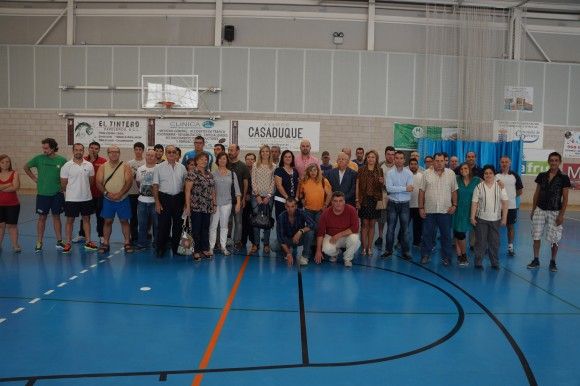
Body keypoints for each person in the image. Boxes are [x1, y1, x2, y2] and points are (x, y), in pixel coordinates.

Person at [527, 152, 570, 272]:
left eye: (556, 160)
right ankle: (536, 259)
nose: (554, 162)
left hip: (555, 211)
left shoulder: (564, 178)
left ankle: (553, 261)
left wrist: (561, 215)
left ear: (559, 162)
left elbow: (565, 198)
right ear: (548, 161)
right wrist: (533, 209)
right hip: (540, 210)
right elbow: (536, 194)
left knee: (554, 238)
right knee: (536, 235)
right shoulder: (542, 176)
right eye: (551, 160)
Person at [24, 138, 67, 253]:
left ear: (53, 148)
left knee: (56, 216)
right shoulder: (39, 158)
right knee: (42, 217)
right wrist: (34, 178)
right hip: (43, 194)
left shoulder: (62, 160)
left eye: (46, 148)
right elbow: (26, 167)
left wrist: (64, 187)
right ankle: (39, 242)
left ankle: (59, 241)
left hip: (57, 194)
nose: (44, 150)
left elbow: (67, 175)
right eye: (43, 148)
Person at [418, 153, 458, 266]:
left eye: (441, 161)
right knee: (427, 235)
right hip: (429, 210)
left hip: (445, 211)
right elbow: (421, 192)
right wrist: (421, 207)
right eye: (437, 160)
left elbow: (454, 191)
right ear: (433, 161)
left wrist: (454, 205)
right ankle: (425, 255)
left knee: (446, 235)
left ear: (445, 161)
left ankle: (446, 257)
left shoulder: (451, 174)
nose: (439, 163)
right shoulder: (426, 174)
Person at [95, 146, 133, 254]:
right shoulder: (103, 167)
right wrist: (107, 193)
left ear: (119, 153)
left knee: (124, 221)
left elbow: (129, 182)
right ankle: (106, 243)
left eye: (116, 152)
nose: (114, 154)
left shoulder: (125, 166)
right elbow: (98, 182)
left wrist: (120, 194)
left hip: (123, 199)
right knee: (107, 221)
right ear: (108, 153)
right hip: (108, 199)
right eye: (112, 152)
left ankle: (127, 242)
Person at [60, 143, 97, 253]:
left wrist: (83, 190)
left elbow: (91, 181)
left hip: (86, 198)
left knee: (86, 219)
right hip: (71, 199)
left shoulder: (89, 165)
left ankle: (88, 241)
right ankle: (68, 243)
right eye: (76, 150)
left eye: (81, 150)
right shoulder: (67, 166)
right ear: (73, 151)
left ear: (83, 151)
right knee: (70, 221)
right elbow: (63, 184)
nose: (78, 152)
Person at [470, 165, 508, 270]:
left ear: (494, 174)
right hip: (481, 218)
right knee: (480, 242)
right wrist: (472, 217)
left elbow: (505, 203)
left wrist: (504, 218)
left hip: (495, 219)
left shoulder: (500, 186)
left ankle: (494, 263)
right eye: (486, 173)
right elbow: (474, 203)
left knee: (494, 242)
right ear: (483, 175)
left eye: (490, 173)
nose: (488, 175)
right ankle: (478, 262)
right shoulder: (479, 187)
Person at [152, 145, 187, 258]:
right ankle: (161, 248)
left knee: (178, 225)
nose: (171, 154)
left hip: (178, 199)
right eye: (169, 152)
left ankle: (176, 248)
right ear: (165, 154)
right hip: (164, 199)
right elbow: (155, 186)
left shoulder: (182, 167)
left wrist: (186, 203)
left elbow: (186, 186)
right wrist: (157, 202)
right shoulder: (158, 167)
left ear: (177, 154)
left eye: (173, 152)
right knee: (163, 225)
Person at [314, 191, 361, 267]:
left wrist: (339, 235)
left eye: (340, 201)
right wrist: (318, 251)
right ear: (332, 202)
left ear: (344, 201)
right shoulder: (325, 214)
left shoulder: (352, 210)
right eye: (335, 201)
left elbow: (355, 228)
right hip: (331, 237)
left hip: (346, 236)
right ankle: (336, 253)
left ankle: (347, 259)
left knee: (355, 239)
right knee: (326, 249)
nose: (338, 203)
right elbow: (320, 233)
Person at [184, 153, 216, 261]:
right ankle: (196, 251)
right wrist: (188, 207)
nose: (204, 161)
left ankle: (205, 249)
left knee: (205, 228)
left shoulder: (209, 174)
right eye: (201, 159)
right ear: (197, 161)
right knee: (196, 229)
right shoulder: (192, 173)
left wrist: (214, 203)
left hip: (207, 206)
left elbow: (212, 190)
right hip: (196, 205)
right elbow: (187, 191)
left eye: (206, 159)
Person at [74, 141, 106, 244]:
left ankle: (101, 235)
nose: (93, 150)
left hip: (99, 194)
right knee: (85, 216)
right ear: (88, 149)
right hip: (85, 194)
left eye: (96, 148)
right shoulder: (82, 160)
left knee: (100, 216)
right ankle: (82, 234)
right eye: (92, 148)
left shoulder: (103, 161)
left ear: (99, 150)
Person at [209, 152, 241, 256]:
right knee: (213, 226)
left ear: (227, 161)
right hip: (215, 204)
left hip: (227, 203)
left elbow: (237, 190)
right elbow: (210, 190)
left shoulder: (232, 174)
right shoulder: (212, 174)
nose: (222, 160)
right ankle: (211, 247)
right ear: (217, 160)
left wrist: (238, 203)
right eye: (220, 159)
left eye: (224, 159)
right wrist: (213, 203)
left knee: (224, 226)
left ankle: (223, 247)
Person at [384, 151, 413, 259]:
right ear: (394, 159)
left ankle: (406, 252)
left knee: (405, 230)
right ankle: (388, 250)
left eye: (401, 158)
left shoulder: (409, 173)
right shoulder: (389, 173)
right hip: (392, 203)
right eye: (397, 158)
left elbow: (410, 190)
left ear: (404, 160)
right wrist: (404, 188)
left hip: (405, 204)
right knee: (390, 228)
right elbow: (389, 189)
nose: (399, 160)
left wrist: (398, 189)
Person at [453, 162, 481, 267]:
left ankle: (463, 255)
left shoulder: (477, 180)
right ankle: (460, 255)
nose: (463, 170)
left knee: (461, 233)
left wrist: (499, 181)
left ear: (469, 169)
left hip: (471, 211)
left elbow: (489, 182)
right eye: (461, 169)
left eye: (465, 168)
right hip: (458, 210)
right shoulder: (456, 180)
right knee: (458, 233)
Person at [356, 150, 384, 256]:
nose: (371, 159)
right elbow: (357, 185)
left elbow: (381, 187)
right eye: (369, 157)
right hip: (364, 199)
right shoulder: (361, 170)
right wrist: (357, 200)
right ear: (366, 158)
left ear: (376, 159)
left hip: (375, 200)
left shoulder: (379, 170)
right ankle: (363, 248)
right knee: (364, 224)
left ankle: (369, 248)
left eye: (373, 157)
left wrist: (382, 182)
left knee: (372, 224)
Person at [250, 145, 276, 255]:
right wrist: (257, 195)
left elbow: (273, 182)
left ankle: (266, 244)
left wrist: (268, 195)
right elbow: (253, 180)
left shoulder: (274, 166)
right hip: (256, 197)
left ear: (269, 153)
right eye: (263, 151)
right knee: (256, 220)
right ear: (260, 153)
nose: (265, 153)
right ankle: (256, 244)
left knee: (267, 220)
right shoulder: (255, 165)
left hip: (268, 198)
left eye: (267, 151)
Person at [496, 156, 523, 256]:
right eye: (502, 162)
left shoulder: (515, 175)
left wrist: (510, 197)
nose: (504, 164)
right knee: (495, 227)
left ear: (510, 163)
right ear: (500, 163)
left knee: (510, 227)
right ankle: (493, 246)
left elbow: (520, 191)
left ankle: (510, 247)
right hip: (497, 207)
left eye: (506, 162)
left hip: (511, 206)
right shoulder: (496, 175)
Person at [298, 163, 332, 244]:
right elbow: (301, 193)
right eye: (311, 170)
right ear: (308, 172)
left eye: (315, 170)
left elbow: (330, 194)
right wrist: (302, 200)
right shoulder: (304, 181)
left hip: (320, 210)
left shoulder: (323, 181)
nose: (313, 172)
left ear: (318, 171)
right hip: (308, 210)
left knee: (319, 229)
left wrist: (325, 205)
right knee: (310, 230)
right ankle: (310, 247)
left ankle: (318, 247)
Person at [276, 197, 316, 266]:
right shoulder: (281, 217)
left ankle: (305, 256)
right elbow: (281, 238)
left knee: (310, 233)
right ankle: (288, 251)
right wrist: (288, 253)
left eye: (292, 206)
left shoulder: (301, 212)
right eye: (288, 206)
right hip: (288, 239)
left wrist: (300, 231)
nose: (290, 209)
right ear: (285, 206)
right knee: (274, 246)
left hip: (299, 239)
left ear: (296, 206)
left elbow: (313, 224)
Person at [228, 144, 251, 252]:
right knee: (227, 222)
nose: (230, 152)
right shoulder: (225, 164)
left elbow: (245, 183)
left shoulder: (243, 166)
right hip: (226, 200)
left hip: (237, 200)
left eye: (232, 150)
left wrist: (242, 198)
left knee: (238, 221)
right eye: (229, 150)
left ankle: (237, 241)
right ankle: (227, 240)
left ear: (237, 151)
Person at [135, 149, 157, 250]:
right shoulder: (140, 169)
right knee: (142, 224)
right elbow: (138, 182)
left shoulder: (159, 168)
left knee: (157, 225)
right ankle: (142, 244)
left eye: (152, 155)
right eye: (148, 155)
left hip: (155, 202)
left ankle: (157, 243)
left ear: (155, 157)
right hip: (142, 201)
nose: (150, 157)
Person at [0, 154, 21, 253]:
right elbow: (11, 185)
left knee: (12, 225)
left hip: (12, 204)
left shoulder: (15, 173)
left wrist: (2, 187)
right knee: (0, 225)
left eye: (7, 162)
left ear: (10, 163)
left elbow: (15, 187)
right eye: (3, 162)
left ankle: (15, 245)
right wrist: (9, 183)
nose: (5, 164)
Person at [376, 146, 395, 248]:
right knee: (381, 218)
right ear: (385, 154)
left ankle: (390, 237)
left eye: (393, 154)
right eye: (389, 154)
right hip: (382, 194)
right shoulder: (380, 165)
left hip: (394, 195)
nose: (391, 156)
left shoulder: (398, 166)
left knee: (392, 218)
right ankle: (380, 236)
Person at [127, 142, 145, 245]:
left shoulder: (146, 162)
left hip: (143, 194)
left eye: (140, 149)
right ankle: (133, 236)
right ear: (134, 150)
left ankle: (144, 235)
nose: (138, 151)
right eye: (136, 149)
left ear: (143, 151)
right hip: (132, 192)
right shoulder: (129, 163)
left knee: (144, 217)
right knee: (133, 216)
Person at [274, 150, 299, 221]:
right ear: (282, 158)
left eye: (289, 157)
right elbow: (279, 186)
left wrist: (296, 197)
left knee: (292, 222)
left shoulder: (295, 171)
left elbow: (298, 185)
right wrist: (287, 198)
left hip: (293, 202)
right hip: (281, 200)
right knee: (281, 222)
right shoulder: (278, 170)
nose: (288, 158)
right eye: (286, 157)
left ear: (292, 158)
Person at [242, 153, 257, 247]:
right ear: (245, 160)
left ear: (255, 160)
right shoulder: (243, 170)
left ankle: (254, 241)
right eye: (248, 159)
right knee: (244, 220)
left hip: (256, 198)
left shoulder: (257, 170)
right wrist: (245, 195)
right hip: (245, 199)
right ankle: (243, 241)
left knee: (254, 220)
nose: (250, 161)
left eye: (252, 159)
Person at [408, 158, 423, 248]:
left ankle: (416, 242)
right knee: (404, 225)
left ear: (418, 165)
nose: (413, 166)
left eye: (415, 164)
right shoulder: (405, 175)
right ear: (409, 165)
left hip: (418, 205)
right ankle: (400, 241)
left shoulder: (422, 176)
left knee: (418, 226)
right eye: (411, 164)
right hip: (407, 205)